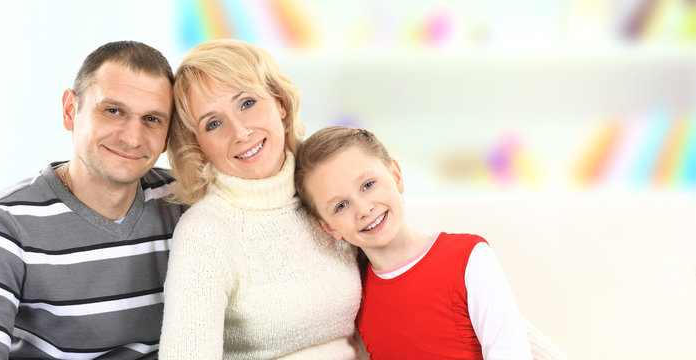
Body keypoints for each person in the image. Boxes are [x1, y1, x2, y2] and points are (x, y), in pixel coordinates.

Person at [158, 39, 362, 359]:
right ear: (199, 145)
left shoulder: (326, 191)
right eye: (213, 123)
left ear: (279, 102)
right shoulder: (206, 232)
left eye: (247, 103)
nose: (240, 132)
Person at [0, 41, 187, 360]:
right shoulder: (5, 223)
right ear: (71, 110)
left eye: (152, 119)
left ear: (168, 134)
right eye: (113, 110)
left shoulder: (184, 200)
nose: (132, 137)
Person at [294, 126, 533, 360]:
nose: (364, 209)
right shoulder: (354, 296)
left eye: (368, 185)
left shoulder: (468, 258)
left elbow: (510, 351)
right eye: (341, 206)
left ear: (396, 175)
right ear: (329, 227)